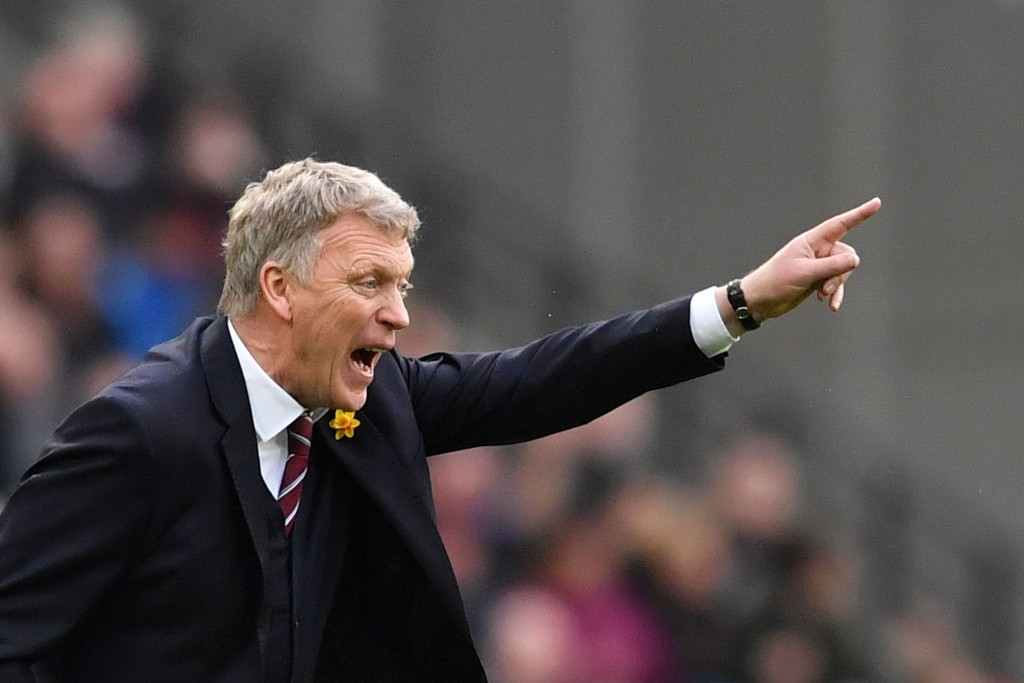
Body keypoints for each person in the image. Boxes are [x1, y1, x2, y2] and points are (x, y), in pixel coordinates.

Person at [0, 158, 880, 682]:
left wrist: (741, 303)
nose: (398, 316)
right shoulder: (138, 433)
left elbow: (543, 379)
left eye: (403, 286)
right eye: (369, 284)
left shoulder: (369, 400)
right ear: (279, 288)